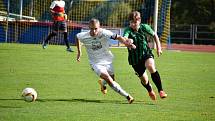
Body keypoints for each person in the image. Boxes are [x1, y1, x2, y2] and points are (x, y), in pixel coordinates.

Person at [76, 18, 135, 104]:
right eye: (91, 28)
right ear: (89, 27)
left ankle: (102, 83)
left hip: (108, 60)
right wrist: (79, 52)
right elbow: (77, 37)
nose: (94, 31)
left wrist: (127, 43)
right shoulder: (84, 35)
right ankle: (128, 96)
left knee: (112, 79)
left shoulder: (104, 32)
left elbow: (118, 37)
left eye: (95, 28)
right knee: (109, 80)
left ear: (99, 27)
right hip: (96, 63)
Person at [123, 11, 167, 100]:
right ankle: (149, 89)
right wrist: (129, 42)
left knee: (150, 66)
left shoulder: (144, 27)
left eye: (135, 22)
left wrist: (159, 48)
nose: (133, 24)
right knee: (144, 80)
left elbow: (155, 36)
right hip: (135, 59)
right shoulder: (128, 30)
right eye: (131, 22)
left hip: (146, 53)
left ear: (139, 21)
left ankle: (161, 90)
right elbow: (125, 38)